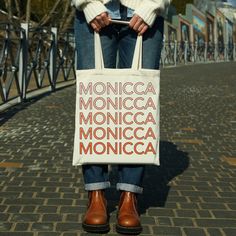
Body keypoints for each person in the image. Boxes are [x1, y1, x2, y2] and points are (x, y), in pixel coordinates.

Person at [71, 0, 171, 234]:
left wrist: (153, 5)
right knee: (94, 106)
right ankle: (96, 194)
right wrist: (86, 4)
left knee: (137, 108)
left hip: (145, 11)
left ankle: (130, 196)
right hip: (93, 9)